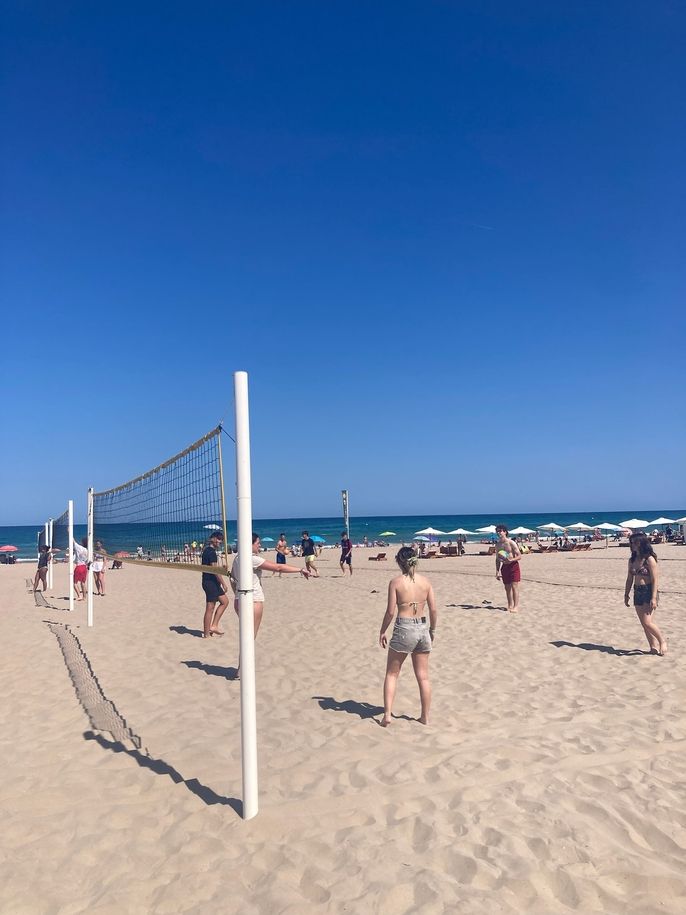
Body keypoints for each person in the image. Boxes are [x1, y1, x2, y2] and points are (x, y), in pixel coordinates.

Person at [230, 534, 309, 674]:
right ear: (250, 544)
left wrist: (236, 595)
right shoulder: (251, 559)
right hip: (252, 600)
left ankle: (241, 668)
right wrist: (300, 570)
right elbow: (278, 567)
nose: (259, 546)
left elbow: (232, 580)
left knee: (246, 635)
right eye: (257, 543)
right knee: (250, 637)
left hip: (239, 600)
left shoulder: (236, 558)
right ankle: (242, 669)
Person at [378, 547, 437, 727]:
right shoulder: (426, 582)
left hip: (404, 627)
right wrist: (432, 630)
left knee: (392, 674)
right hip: (422, 627)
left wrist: (382, 631)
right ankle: (425, 717)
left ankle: (387, 714)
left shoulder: (395, 582)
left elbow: (390, 612)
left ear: (399, 562)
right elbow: (433, 609)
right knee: (423, 676)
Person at [624, 532, 666, 656]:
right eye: (631, 543)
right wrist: (626, 594)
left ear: (641, 543)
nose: (633, 545)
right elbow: (629, 579)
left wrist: (653, 597)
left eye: (635, 542)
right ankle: (653, 646)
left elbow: (655, 580)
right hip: (637, 591)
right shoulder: (631, 560)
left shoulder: (649, 559)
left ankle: (662, 641)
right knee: (644, 623)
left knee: (648, 622)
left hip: (648, 591)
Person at [201, 531, 229, 638]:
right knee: (210, 607)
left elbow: (213, 568)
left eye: (221, 540)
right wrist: (224, 584)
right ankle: (207, 634)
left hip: (210, 581)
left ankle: (214, 626)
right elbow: (214, 571)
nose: (220, 541)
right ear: (212, 538)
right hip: (210, 582)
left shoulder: (207, 550)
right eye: (218, 539)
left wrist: (221, 569)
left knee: (225, 601)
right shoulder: (211, 552)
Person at [495, 524, 522, 613]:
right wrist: (497, 571)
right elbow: (497, 559)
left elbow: (519, 556)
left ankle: (516, 606)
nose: (499, 533)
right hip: (504, 567)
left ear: (505, 532)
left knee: (515, 586)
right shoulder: (498, 545)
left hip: (514, 565)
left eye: (500, 531)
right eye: (497, 531)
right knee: (507, 588)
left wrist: (511, 560)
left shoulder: (511, 543)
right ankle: (510, 605)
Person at [73, 537, 89, 602]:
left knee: (74, 582)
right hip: (84, 567)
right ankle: (84, 597)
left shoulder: (79, 548)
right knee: (83, 583)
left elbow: (73, 541)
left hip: (79, 566)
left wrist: (69, 532)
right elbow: (89, 561)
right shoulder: (87, 550)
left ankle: (79, 595)